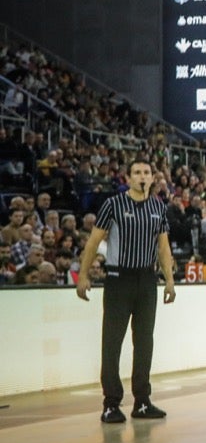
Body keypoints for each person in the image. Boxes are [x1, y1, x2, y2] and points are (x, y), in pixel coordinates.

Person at [75, 159, 177, 422]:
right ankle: (110, 403)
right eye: (137, 172)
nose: (142, 176)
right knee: (112, 341)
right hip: (118, 278)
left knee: (144, 341)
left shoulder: (158, 207)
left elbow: (163, 247)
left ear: (153, 178)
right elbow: (94, 241)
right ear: (128, 177)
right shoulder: (113, 204)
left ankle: (142, 401)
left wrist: (169, 280)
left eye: (146, 172)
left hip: (146, 279)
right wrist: (83, 275)